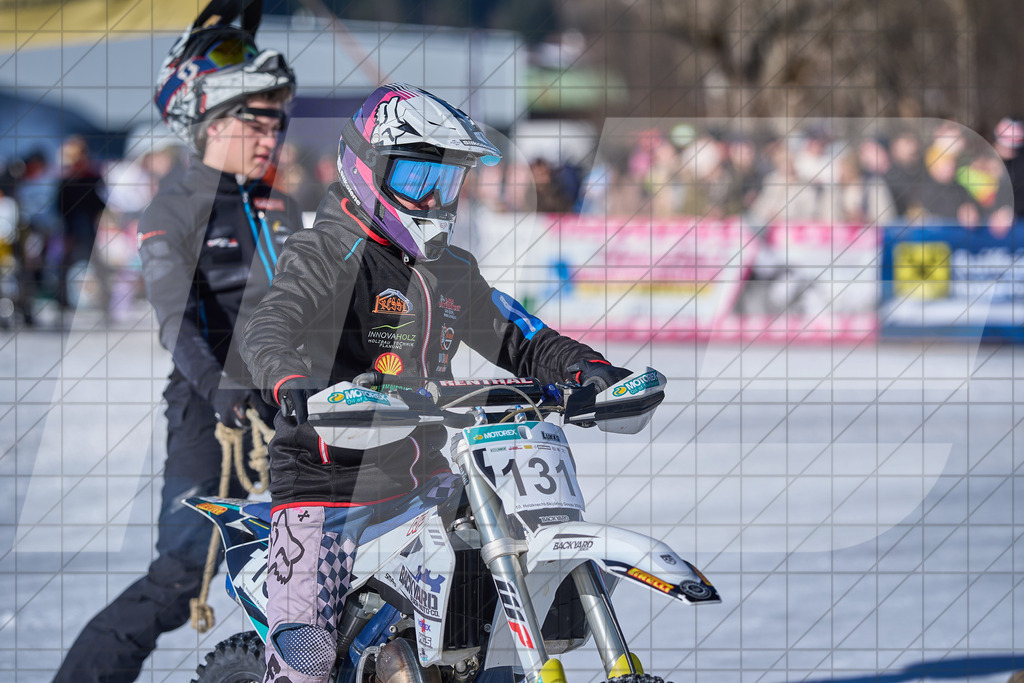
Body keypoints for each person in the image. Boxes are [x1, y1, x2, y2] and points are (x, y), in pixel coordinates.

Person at [238, 84, 634, 683]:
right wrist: (289, 378)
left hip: (429, 481)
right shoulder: (325, 252)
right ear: (366, 168)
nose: (432, 198)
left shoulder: (452, 269)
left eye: (446, 181)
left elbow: (519, 336)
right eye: (417, 177)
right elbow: (270, 323)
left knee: (491, 609)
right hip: (328, 487)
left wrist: (588, 370)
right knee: (307, 663)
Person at [54, 10, 300, 682]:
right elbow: (173, 320)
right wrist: (223, 389)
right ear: (212, 123)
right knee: (181, 576)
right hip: (209, 410)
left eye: (277, 123)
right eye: (257, 122)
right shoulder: (175, 205)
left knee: (323, 559)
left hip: (289, 406)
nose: (271, 136)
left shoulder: (277, 204)